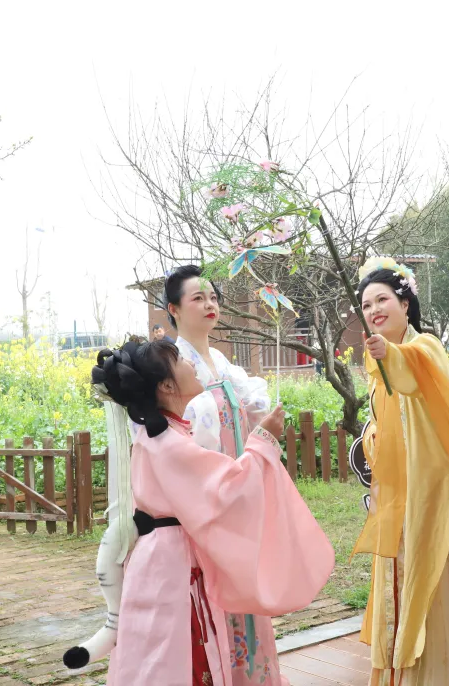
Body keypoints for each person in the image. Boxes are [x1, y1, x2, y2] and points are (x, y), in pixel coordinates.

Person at [77, 340, 334, 685]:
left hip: (162, 560)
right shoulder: (167, 442)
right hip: (171, 565)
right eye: (180, 360)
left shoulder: (164, 434)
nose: (189, 363)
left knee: (158, 655)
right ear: (167, 386)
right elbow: (228, 488)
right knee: (175, 657)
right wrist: (263, 441)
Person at [353, 257, 449, 685]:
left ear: (406, 304)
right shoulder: (378, 363)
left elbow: (414, 371)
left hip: (432, 490)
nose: (374, 310)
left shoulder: (425, 347)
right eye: (367, 304)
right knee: (400, 580)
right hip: (397, 491)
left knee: (432, 583)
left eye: (382, 300)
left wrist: (389, 354)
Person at [163, 264, 284, 680]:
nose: (209, 304)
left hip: (236, 492)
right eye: (197, 298)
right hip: (203, 500)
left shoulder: (221, 363)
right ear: (173, 309)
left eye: (213, 297)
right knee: (214, 597)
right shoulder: (173, 368)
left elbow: (248, 414)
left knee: (244, 587)